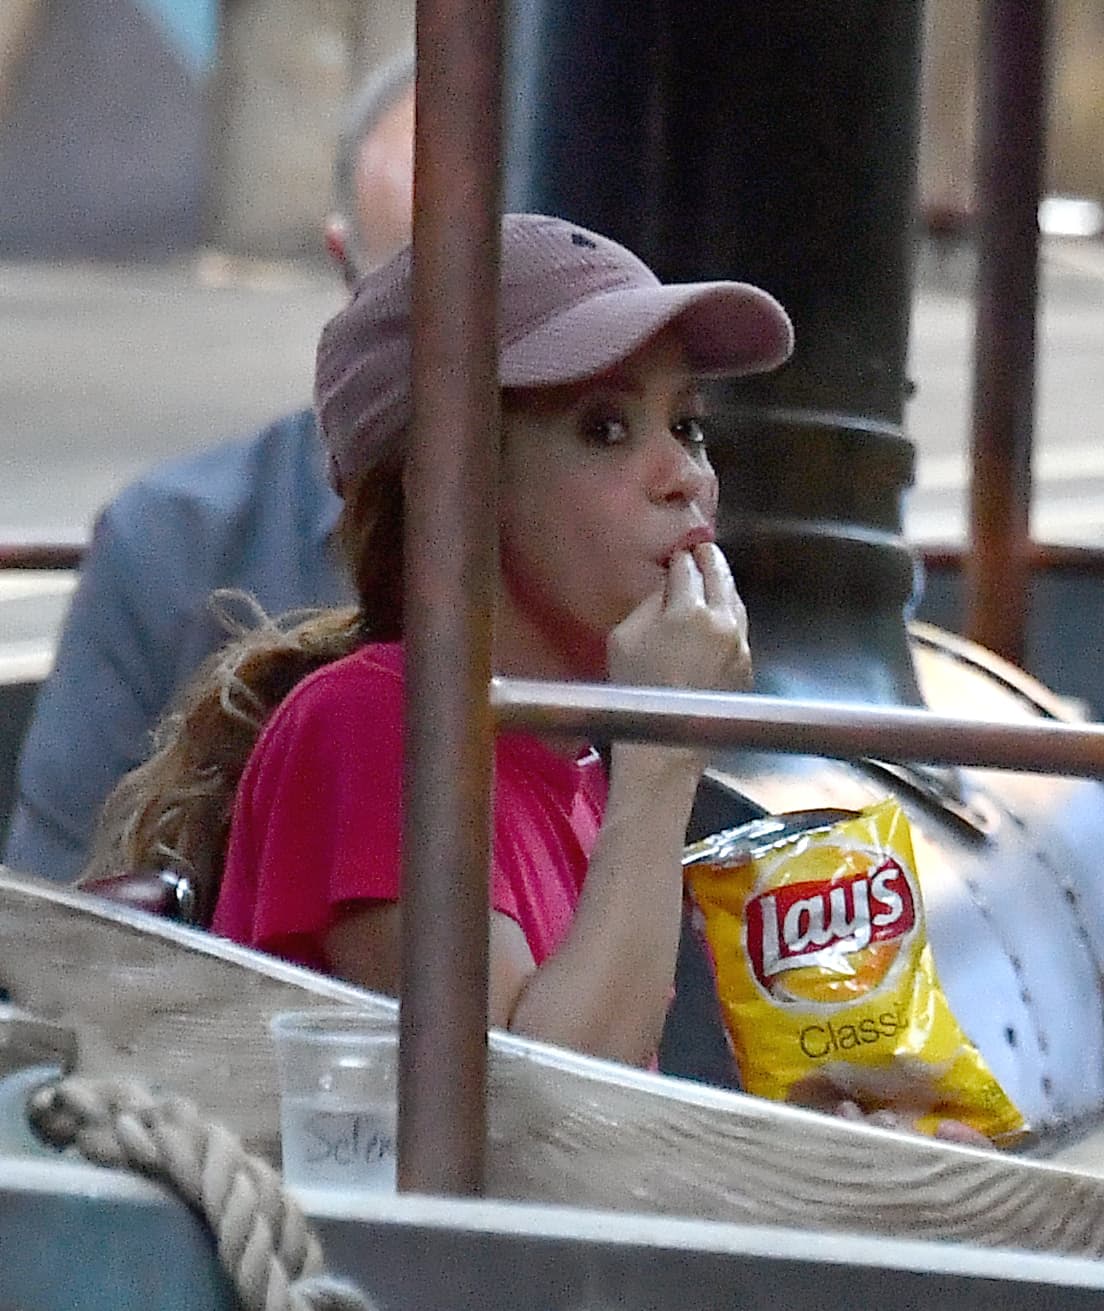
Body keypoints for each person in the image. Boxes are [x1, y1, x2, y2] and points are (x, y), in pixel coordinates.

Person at [89, 213, 792, 1065]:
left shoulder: (572, 768)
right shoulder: (375, 723)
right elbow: (528, 1113)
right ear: (452, 487)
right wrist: (667, 748)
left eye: (688, 426)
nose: (684, 476)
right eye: (605, 428)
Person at [3, 55, 415, 883]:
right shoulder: (172, 545)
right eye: (410, 310)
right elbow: (63, 914)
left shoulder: (636, 547)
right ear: (342, 267)